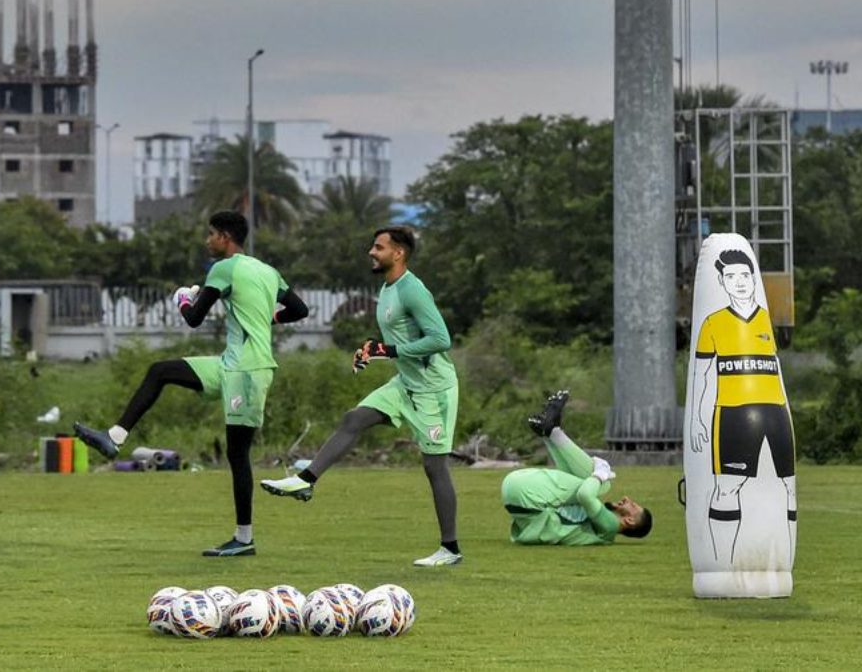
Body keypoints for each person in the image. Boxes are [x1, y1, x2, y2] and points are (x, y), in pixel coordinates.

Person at [75, 211, 309, 557]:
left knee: (237, 454)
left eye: (211, 234)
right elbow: (300, 309)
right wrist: (267, 318)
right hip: (230, 364)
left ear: (226, 237)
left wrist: (183, 299)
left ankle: (244, 539)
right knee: (160, 371)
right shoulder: (267, 271)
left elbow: (195, 319)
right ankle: (115, 437)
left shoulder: (224, 268)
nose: (207, 240)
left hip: (248, 371)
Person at [261, 226, 464, 566]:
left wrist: (389, 350)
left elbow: (440, 339)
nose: (371, 252)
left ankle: (450, 549)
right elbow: (397, 338)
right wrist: (373, 349)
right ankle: (305, 480)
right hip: (405, 383)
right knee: (354, 419)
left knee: (435, 467)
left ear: (398, 253)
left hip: (434, 390)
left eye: (379, 247)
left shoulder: (413, 290)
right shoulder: (387, 288)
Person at [689, 248, 796, 562]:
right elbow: (701, 374)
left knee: (788, 486)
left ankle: (781, 564)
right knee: (727, 486)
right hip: (732, 414)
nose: (739, 282)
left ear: (753, 279)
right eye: (731, 276)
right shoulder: (713, 322)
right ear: (722, 282)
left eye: (744, 275)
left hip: (775, 412)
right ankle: (721, 566)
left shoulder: (765, 318)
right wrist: (696, 418)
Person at [500, 390, 652, 546]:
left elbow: (585, 495)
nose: (627, 499)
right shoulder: (596, 523)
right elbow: (571, 480)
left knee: (602, 484)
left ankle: (552, 432)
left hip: (529, 496)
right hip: (516, 494)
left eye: (633, 506)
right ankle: (548, 433)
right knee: (590, 483)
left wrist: (601, 473)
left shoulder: (611, 526)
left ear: (630, 520)